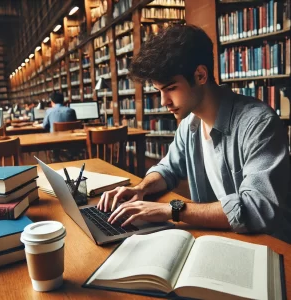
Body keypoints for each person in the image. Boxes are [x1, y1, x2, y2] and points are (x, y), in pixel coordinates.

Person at [98, 25, 291, 243]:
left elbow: (258, 208)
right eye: (159, 91)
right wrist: (140, 189)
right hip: (219, 239)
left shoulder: (258, 124)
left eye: (171, 88)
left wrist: (171, 210)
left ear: (200, 75)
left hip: (269, 245)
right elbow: (168, 168)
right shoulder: (189, 125)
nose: (164, 102)